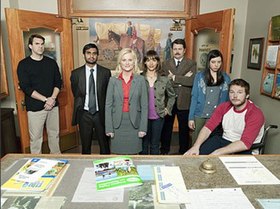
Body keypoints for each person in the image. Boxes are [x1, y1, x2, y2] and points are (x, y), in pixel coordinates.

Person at [184, 79, 265, 155]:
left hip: (244, 147)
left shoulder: (255, 113)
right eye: (232, 92)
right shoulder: (224, 107)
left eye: (239, 92)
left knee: (220, 164)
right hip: (224, 140)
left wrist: (218, 152)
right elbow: (208, 127)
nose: (235, 96)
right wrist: (196, 146)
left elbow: (245, 143)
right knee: (197, 155)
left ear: (247, 95)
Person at [17, 34, 62, 154]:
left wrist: (52, 99)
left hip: (53, 105)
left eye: (42, 44)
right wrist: (45, 100)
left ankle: (58, 160)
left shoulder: (51, 63)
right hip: (35, 108)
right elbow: (26, 87)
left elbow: (58, 82)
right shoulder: (23, 64)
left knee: (54, 135)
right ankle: (36, 165)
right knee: (36, 139)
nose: (40, 47)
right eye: (37, 44)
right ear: (30, 46)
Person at [105, 48, 148, 154]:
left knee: (134, 157)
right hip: (117, 124)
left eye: (130, 60)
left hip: (135, 124)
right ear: (120, 62)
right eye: (124, 60)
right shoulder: (113, 80)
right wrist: (109, 128)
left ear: (134, 62)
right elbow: (108, 105)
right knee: (118, 159)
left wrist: (143, 128)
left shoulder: (141, 80)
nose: (127, 63)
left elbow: (144, 105)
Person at [70, 43, 111, 154]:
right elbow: (76, 93)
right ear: (84, 54)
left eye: (94, 53)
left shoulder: (106, 73)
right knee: (85, 145)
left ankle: (106, 167)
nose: (91, 56)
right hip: (84, 114)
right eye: (88, 53)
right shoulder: (75, 74)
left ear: (97, 55)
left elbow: (108, 93)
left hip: (100, 113)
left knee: (104, 145)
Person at [161, 38, 197, 155]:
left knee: (184, 130)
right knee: (166, 128)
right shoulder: (165, 64)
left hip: (184, 101)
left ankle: (183, 152)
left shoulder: (191, 63)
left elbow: (191, 81)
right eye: (175, 49)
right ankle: (164, 151)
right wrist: (183, 79)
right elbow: (164, 82)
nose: (177, 51)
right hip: (169, 101)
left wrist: (175, 77)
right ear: (172, 50)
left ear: (184, 50)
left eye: (180, 49)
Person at [188, 49, 231, 145]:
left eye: (219, 62)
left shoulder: (226, 78)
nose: (216, 65)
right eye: (213, 62)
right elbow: (194, 97)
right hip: (199, 115)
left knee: (211, 144)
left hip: (215, 116)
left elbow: (227, 100)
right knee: (196, 142)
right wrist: (191, 117)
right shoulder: (199, 76)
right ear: (208, 62)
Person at [141, 50, 176, 155]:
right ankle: (142, 167)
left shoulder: (164, 79)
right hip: (143, 117)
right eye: (148, 60)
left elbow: (172, 96)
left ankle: (154, 166)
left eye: (154, 60)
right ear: (145, 63)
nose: (151, 63)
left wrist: (167, 109)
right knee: (144, 143)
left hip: (158, 116)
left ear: (157, 62)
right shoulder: (139, 78)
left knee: (155, 144)